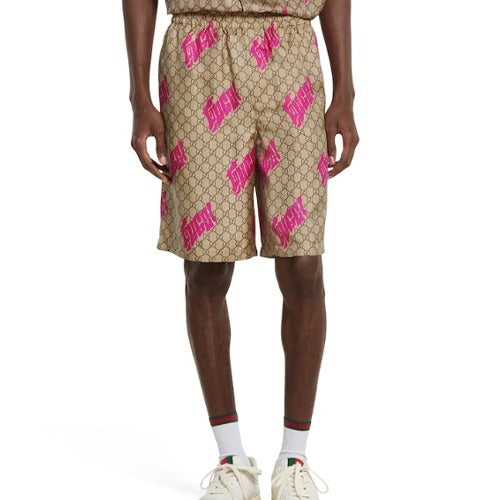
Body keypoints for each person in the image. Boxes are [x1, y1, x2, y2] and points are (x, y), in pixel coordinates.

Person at [122, 0, 359, 498]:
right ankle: (231, 459)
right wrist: (139, 96)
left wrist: (345, 91)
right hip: (197, 54)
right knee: (205, 267)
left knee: (302, 263)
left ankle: (293, 458)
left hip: (290, 50)